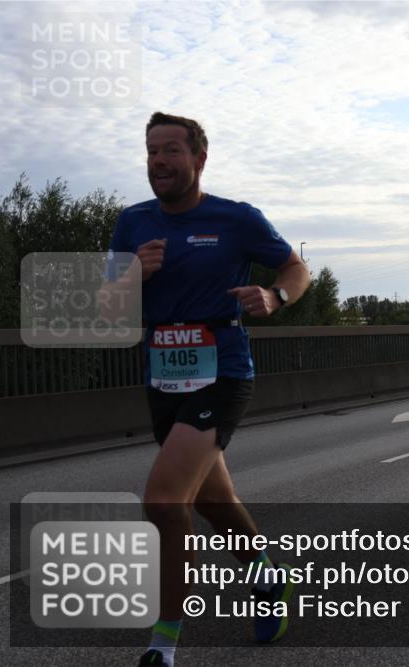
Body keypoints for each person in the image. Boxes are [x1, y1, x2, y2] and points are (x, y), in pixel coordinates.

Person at [106, 112, 311, 667]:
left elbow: (296, 267)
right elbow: (105, 308)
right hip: (164, 378)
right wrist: (132, 279)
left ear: (199, 159)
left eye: (172, 150)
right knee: (214, 502)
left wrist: (274, 298)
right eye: (152, 151)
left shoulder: (235, 218)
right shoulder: (131, 223)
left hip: (222, 371)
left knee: (164, 501)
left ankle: (162, 646)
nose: (159, 161)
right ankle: (270, 578)